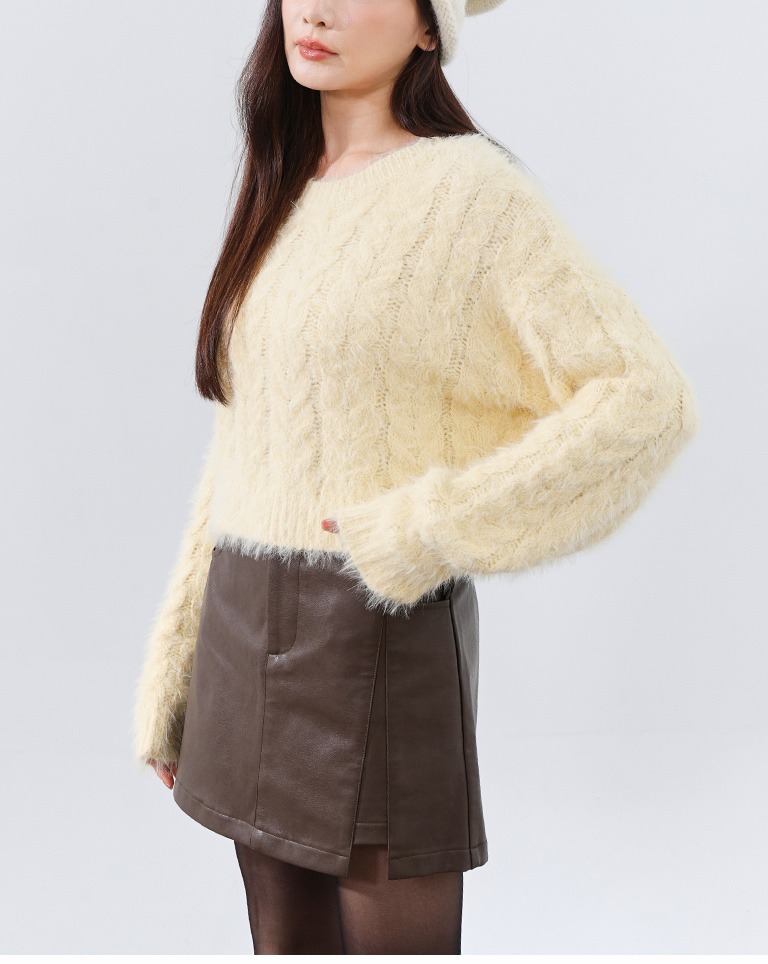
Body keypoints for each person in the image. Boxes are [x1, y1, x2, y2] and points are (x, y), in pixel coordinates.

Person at [132, 0, 699, 954]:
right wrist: (177, 658)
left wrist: (427, 529)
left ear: (431, 28)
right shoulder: (285, 183)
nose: (315, 9)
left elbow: (644, 400)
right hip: (240, 625)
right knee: (284, 946)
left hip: (374, 631)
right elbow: (244, 445)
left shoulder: (471, 194)